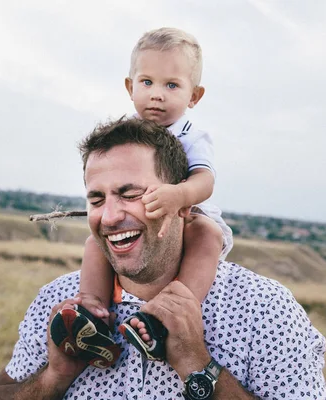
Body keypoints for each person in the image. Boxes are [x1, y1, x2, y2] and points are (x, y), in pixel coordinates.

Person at [0, 117, 326, 399]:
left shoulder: (264, 310)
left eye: (130, 195)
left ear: (183, 203)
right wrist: (53, 378)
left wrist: (199, 366)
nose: (110, 216)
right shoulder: (58, 306)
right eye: (97, 200)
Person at [74, 27, 234, 362]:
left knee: (208, 235)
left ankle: (173, 312)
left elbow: (205, 181)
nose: (156, 94)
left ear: (194, 96)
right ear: (130, 87)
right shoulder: (127, 130)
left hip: (187, 214)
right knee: (96, 242)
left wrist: (180, 194)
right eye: (146, 83)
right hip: (144, 214)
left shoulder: (191, 134)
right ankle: (91, 313)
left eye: (171, 85)